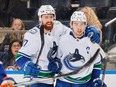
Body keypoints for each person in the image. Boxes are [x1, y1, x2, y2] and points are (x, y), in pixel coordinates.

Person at [15, 5, 70, 87]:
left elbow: (74, 34)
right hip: (35, 79)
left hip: (50, 79)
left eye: (51, 17)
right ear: (40, 18)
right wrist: (26, 65)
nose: (49, 20)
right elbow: (19, 57)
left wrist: (88, 29)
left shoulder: (58, 27)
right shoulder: (32, 35)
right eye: (46, 17)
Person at [53, 11, 107, 87]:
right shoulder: (62, 39)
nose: (79, 27)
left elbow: (97, 63)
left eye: (82, 24)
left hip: (83, 83)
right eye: (76, 24)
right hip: (63, 82)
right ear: (71, 24)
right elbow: (57, 58)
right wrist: (56, 64)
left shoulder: (91, 41)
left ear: (86, 25)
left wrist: (95, 79)